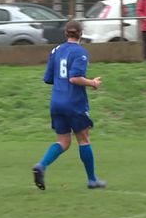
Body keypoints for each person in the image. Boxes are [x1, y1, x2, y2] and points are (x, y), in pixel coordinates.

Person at [32, 20, 106, 190]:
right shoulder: (81, 52)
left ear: (65, 34)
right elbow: (74, 78)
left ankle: (41, 165)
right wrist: (92, 83)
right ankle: (92, 180)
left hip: (56, 102)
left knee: (63, 141)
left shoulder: (56, 50)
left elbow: (47, 78)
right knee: (83, 138)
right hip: (74, 102)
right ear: (81, 34)